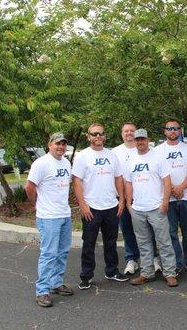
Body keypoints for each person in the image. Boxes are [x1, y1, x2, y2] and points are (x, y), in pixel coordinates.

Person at [72, 123, 128, 290]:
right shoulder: (82, 156)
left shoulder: (112, 155)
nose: (98, 137)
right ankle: (86, 276)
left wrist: (122, 201)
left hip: (111, 205)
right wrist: (83, 205)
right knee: (89, 243)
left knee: (111, 242)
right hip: (91, 208)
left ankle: (111, 271)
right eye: (94, 134)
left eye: (101, 134)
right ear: (88, 136)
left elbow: (119, 179)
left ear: (105, 136)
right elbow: (77, 181)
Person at [25, 132, 74, 308]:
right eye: (57, 144)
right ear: (49, 145)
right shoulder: (41, 164)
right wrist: (36, 203)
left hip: (64, 215)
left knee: (62, 252)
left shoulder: (66, 163)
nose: (61, 147)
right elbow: (29, 187)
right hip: (48, 217)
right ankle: (42, 291)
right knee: (48, 254)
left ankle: (56, 283)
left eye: (63, 144)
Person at [125, 129, 178, 287]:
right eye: (137, 140)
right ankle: (147, 273)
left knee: (164, 242)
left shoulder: (158, 157)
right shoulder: (130, 160)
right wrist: (129, 204)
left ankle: (170, 273)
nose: (140, 142)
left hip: (156, 207)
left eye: (143, 139)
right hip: (138, 208)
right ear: (134, 141)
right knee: (143, 242)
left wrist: (165, 202)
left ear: (148, 140)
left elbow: (167, 181)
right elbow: (128, 183)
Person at [155, 118, 187, 273]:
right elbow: (156, 175)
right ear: (165, 131)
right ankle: (177, 263)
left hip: (186, 197)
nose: (173, 131)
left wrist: (181, 187)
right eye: (169, 128)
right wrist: (171, 191)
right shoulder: (157, 151)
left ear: (180, 130)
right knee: (171, 233)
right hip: (167, 199)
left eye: (176, 128)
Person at [112, 122, 142, 275]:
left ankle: (153, 257)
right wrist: (121, 199)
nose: (129, 133)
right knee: (127, 229)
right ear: (122, 134)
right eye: (126, 131)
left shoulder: (144, 149)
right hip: (122, 197)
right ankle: (132, 259)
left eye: (132, 130)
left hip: (143, 198)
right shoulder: (115, 152)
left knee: (147, 230)